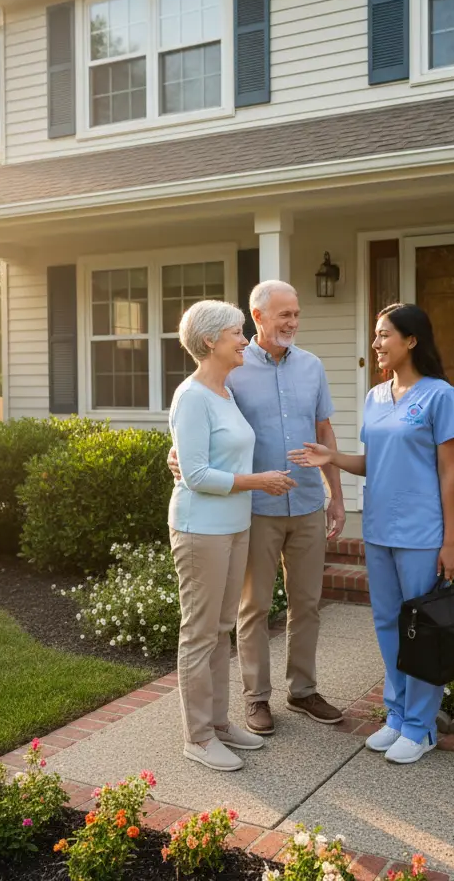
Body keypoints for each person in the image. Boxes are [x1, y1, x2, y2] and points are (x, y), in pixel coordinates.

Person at [289, 303, 454, 765]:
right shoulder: (374, 397)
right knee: (389, 625)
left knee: (423, 631)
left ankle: (421, 727)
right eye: (374, 334)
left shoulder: (440, 396)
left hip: (422, 534)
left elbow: (449, 475)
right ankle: (398, 715)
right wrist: (332, 458)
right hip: (379, 531)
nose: (376, 343)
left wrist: (451, 542)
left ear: (411, 340)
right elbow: (373, 463)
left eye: (384, 335)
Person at [169, 280, 346, 737]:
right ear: (258, 317)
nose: (292, 323)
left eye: (297, 314)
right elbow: (201, 428)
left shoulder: (312, 366)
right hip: (254, 509)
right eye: (284, 314)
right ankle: (256, 698)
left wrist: (337, 497)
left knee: (307, 603)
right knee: (253, 608)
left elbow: (325, 433)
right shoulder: (235, 368)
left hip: (306, 500)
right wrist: (177, 458)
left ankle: (303, 690)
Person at [167, 299, 295, 772]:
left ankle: (218, 724)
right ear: (209, 342)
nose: (245, 340)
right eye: (237, 333)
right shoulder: (193, 394)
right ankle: (197, 737)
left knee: (221, 632)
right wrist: (259, 481)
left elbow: (192, 454)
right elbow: (197, 474)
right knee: (200, 634)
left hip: (234, 526)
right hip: (201, 530)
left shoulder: (224, 393)